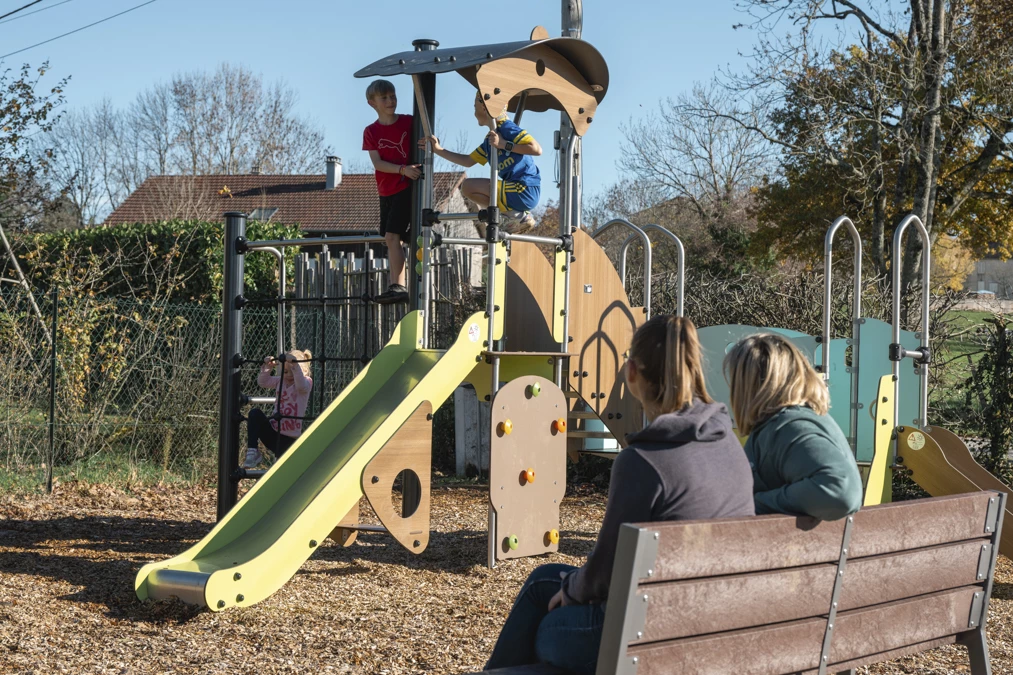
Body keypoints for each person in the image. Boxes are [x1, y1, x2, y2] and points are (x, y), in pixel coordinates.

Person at [483, 316, 755, 674]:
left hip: (649, 632)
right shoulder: (727, 442)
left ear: (632, 372)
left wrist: (572, 592)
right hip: (716, 617)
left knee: (545, 626)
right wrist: (572, 586)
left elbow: (607, 570)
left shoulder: (643, 460)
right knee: (543, 581)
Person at [723, 333, 863, 521]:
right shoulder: (794, 421)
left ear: (747, 384)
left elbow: (840, 492)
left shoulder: (790, 428)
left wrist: (755, 504)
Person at [420, 92, 542, 233]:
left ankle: (515, 216)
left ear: (484, 107)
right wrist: (438, 150)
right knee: (468, 188)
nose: (474, 113)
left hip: (524, 188)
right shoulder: (490, 140)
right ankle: (512, 215)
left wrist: (503, 144)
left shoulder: (507, 128)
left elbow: (536, 149)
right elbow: (467, 161)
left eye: (474, 107)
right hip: (516, 190)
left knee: (468, 186)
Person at [362, 79, 420, 305]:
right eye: (384, 98)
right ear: (372, 103)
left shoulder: (409, 122)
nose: (390, 101)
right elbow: (377, 163)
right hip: (385, 190)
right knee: (392, 238)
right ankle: (396, 284)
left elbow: (424, 140)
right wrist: (401, 169)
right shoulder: (371, 131)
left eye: (393, 96)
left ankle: (399, 285)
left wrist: (406, 172)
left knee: (392, 236)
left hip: (405, 186)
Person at [243, 350, 314, 468]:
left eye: (293, 370)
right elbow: (263, 382)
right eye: (285, 371)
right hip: (273, 432)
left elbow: (301, 385)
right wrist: (268, 367)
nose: (289, 375)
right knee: (254, 414)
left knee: (285, 469)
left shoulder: (307, 382)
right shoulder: (280, 381)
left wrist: (295, 365)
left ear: (305, 371)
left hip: (289, 440)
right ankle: (253, 451)